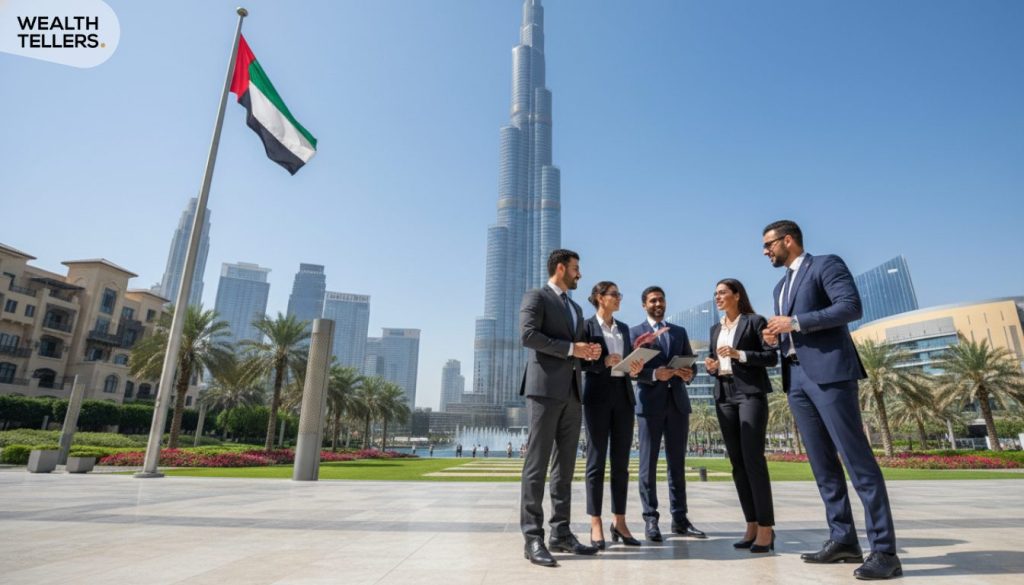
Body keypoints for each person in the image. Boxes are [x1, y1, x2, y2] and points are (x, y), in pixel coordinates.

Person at [761, 220, 901, 579]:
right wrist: (775, 336)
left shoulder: (825, 265)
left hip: (830, 374)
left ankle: (884, 551)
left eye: (769, 245)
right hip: (796, 379)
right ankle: (843, 539)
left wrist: (795, 322)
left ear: (787, 240)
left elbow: (850, 307)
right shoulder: (779, 286)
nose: (765, 251)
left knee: (858, 462)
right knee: (823, 466)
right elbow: (790, 327)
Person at [519, 249, 603, 567]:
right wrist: (571, 347)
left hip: (572, 393)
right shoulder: (537, 296)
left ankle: (561, 533)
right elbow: (528, 335)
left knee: (564, 469)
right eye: (576, 268)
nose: (579, 274)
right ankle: (533, 538)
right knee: (537, 466)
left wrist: (588, 351)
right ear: (560, 268)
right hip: (543, 392)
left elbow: (576, 347)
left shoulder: (575, 307)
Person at [705, 278, 778, 553]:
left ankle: (766, 529)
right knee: (737, 463)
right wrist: (712, 365)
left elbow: (771, 357)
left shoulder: (754, 321)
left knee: (753, 460)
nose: (718, 297)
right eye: (715, 294)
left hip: (749, 394)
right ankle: (751, 524)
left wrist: (740, 354)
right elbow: (717, 361)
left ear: (737, 295)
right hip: (723, 394)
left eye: (722, 292)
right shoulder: (715, 328)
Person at [630, 286, 705, 542]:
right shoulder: (634, 333)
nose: (658, 303)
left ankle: (680, 520)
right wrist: (653, 374)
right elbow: (629, 370)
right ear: (644, 305)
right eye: (653, 300)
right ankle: (651, 520)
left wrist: (688, 374)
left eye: (661, 299)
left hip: (677, 405)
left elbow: (691, 366)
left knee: (677, 465)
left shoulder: (679, 332)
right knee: (647, 466)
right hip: (649, 406)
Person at [582, 281, 643, 549]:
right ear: (599, 297)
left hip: (623, 398)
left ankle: (619, 521)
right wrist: (600, 362)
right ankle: (595, 522)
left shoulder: (625, 329)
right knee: (596, 463)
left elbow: (628, 364)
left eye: (619, 294)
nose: (619, 298)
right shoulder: (586, 326)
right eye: (614, 294)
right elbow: (579, 361)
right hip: (596, 398)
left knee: (621, 464)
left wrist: (635, 366)